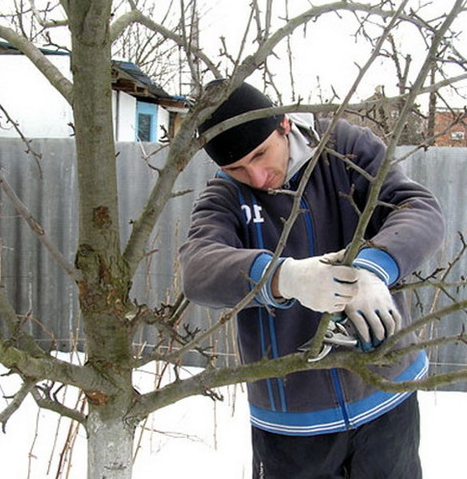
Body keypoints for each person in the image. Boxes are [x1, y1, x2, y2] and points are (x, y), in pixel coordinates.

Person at [179, 79, 444, 479]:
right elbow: (197, 267)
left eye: (260, 154)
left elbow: (418, 208)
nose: (256, 176)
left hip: (386, 393)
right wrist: (285, 277)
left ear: (284, 125)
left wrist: (374, 268)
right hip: (292, 422)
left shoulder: (345, 149)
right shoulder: (226, 197)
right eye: (236, 168)